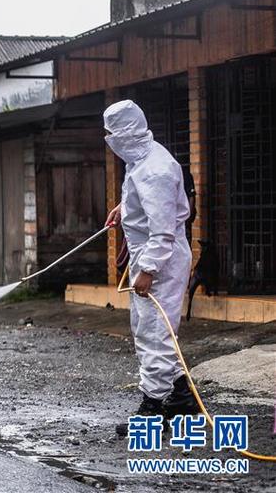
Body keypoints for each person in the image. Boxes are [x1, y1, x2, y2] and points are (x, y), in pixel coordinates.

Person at [103, 100, 197, 436]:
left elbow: (163, 231)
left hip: (161, 258)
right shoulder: (141, 160)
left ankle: (152, 408)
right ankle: (181, 395)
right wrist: (124, 207)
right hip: (150, 254)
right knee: (149, 328)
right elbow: (148, 199)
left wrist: (148, 269)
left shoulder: (156, 169)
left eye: (112, 132)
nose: (109, 139)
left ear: (126, 132)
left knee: (156, 331)